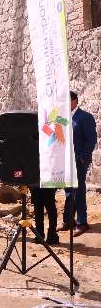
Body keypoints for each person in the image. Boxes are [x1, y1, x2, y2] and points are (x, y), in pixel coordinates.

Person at [61, 90, 97, 237]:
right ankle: (69, 221)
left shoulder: (85, 117)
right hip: (65, 160)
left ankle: (82, 223)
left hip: (79, 161)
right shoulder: (63, 118)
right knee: (68, 190)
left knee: (78, 191)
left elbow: (91, 140)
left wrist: (83, 157)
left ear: (74, 101)